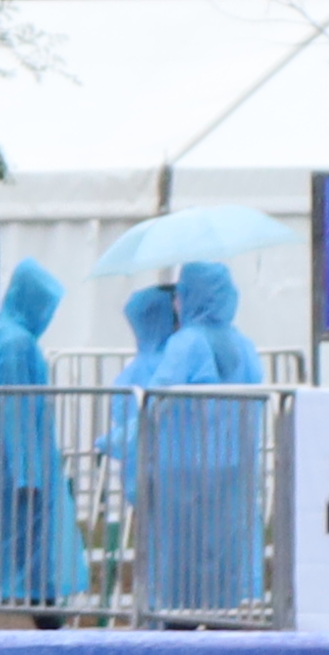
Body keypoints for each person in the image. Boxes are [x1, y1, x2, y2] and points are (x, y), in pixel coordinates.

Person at [130, 260, 273, 615]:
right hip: (234, 466)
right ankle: (224, 619)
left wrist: (123, 438)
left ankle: (181, 622)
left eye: (181, 294)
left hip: (184, 469)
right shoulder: (244, 345)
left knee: (182, 562)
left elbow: (154, 400)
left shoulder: (186, 343)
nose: (176, 302)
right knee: (225, 556)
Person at [0, 258, 84, 616]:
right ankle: (50, 632)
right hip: (11, 474)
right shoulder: (18, 343)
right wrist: (28, 473)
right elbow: (18, 409)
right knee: (33, 557)